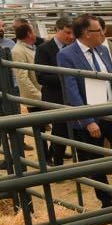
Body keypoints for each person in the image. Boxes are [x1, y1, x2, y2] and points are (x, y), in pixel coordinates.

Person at [56, 14, 112, 209]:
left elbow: (111, 77)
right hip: (91, 116)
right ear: (86, 33)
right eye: (98, 31)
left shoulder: (102, 50)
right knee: (96, 162)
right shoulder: (67, 55)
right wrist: (87, 120)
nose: (102, 34)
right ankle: (106, 201)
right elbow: (71, 89)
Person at [34, 16, 75, 166]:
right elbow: (41, 77)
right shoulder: (44, 49)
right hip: (55, 96)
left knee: (72, 128)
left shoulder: (75, 47)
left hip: (74, 95)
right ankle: (57, 162)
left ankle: (55, 153)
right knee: (60, 129)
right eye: (67, 33)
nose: (71, 36)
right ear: (57, 30)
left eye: (73, 33)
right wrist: (67, 77)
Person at [10, 23, 42, 108]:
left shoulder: (31, 47)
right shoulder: (17, 51)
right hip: (35, 100)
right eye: (34, 32)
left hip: (40, 95)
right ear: (29, 34)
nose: (35, 34)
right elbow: (22, 78)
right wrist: (38, 95)